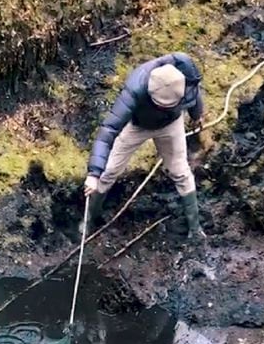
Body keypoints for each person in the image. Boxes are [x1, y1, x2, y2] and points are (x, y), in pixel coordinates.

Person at [84, 52, 207, 238]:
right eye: (160, 104)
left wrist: (197, 116)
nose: (163, 106)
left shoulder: (186, 74)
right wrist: (93, 173)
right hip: (137, 126)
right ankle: (89, 222)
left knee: (181, 172)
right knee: (107, 171)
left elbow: (194, 96)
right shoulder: (135, 88)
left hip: (171, 125)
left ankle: (195, 229)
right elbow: (107, 131)